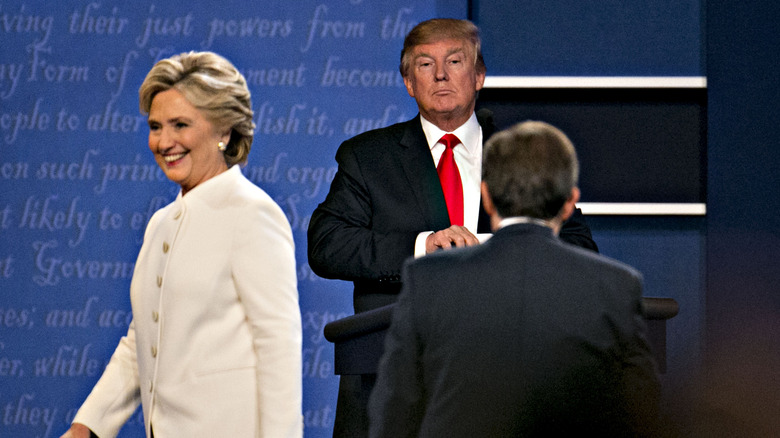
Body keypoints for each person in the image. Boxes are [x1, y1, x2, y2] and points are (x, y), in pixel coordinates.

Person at [307, 18, 597, 436]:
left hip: (506, 387)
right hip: (391, 386)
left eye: (455, 61)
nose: (440, 74)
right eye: (425, 64)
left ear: (478, 76)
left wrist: (500, 248)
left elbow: (578, 247)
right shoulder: (367, 158)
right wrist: (423, 245)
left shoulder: (524, 155)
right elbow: (327, 244)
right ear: (408, 82)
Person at [60, 51, 303, 438]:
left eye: (180, 124)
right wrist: (86, 426)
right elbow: (143, 341)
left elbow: (279, 346)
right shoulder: (161, 224)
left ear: (224, 131)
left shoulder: (251, 213)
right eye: (156, 126)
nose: (164, 141)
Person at [368, 120, 661, 437]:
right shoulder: (616, 286)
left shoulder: (427, 280)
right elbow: (642, 413)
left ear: (487, 198)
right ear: (569, 203)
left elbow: (394, 413)